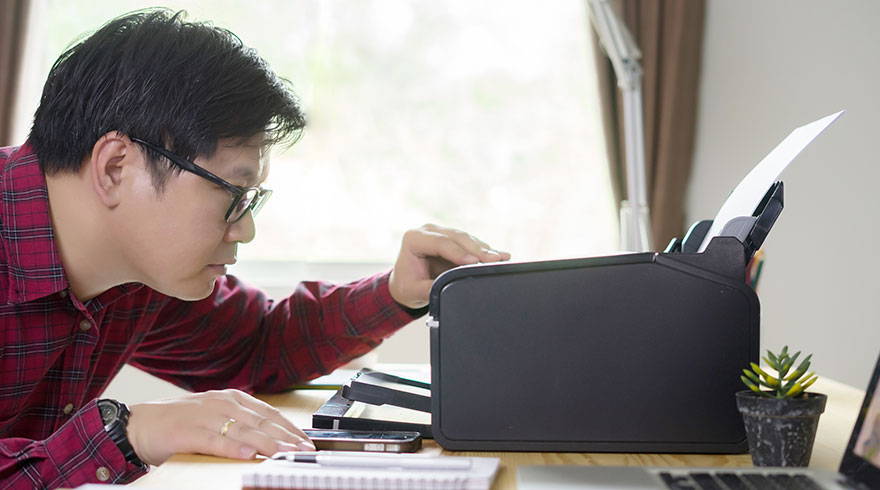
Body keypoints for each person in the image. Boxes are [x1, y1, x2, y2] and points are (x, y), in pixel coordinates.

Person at [0, 9, 509, 488]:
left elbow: (257, 347)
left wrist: (399, 291)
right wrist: (130, 431)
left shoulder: (136, 274)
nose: (245, 230)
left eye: (251, 200)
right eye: (232, 194)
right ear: (116, 167)